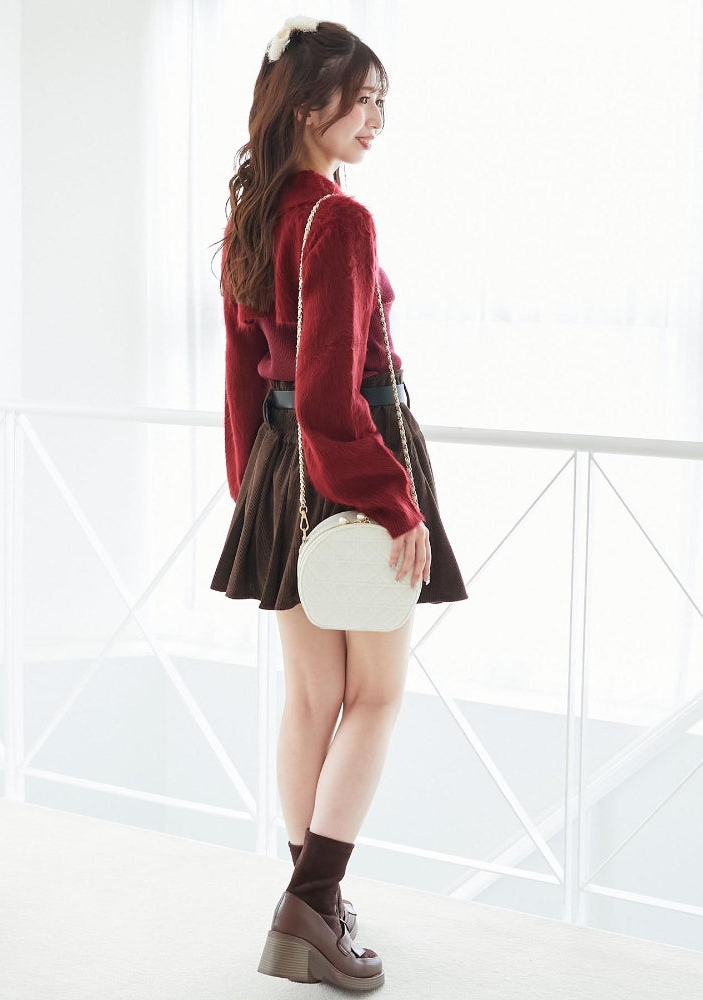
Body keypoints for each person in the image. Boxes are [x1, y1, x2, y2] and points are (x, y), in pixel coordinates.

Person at [210, 16, 468, 990]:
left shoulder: (253, 214)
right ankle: (313, 905)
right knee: (377, 695)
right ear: (306, 105)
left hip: (281, 473)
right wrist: (397, 502)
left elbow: (243, 381)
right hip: (353, 457)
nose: (376, 121)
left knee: (313, 695)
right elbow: (330, 397)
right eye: (363, 102)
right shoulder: (339, 220)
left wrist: (253, 492)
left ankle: (308, 900)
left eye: (381, 103)